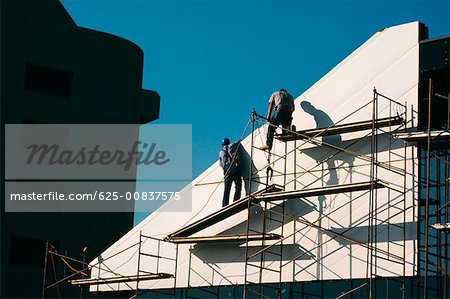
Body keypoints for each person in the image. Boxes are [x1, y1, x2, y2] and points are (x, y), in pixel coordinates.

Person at [219, 138, 242, 207]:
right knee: (238, 185)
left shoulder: (220, 152)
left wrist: (225, 168)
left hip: (226, 169)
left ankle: (225, 204)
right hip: (234, 166)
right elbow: (238, 142)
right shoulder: (231, 146)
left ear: (222, 145)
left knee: (227, 188)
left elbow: (221, 164)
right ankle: (236, 200)